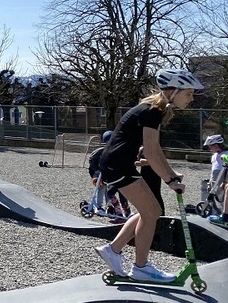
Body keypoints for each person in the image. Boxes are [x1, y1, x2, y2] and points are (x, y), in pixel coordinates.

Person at [94, 68, 196, 283]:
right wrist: (170, 181)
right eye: (188, 93)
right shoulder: (152, 111)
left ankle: (113, 250)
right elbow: (150, 151)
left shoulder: (154, 109)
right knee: (152, 212)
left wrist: (170, 173)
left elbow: (155, 149)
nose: (191, 98)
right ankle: (140, 267)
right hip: (117, 165)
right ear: (173, 91)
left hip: (118, 163)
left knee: (149, 211)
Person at [87, 130, 130, 219]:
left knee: (108, 188)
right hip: (97, 172)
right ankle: (99, 206)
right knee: (101, 187)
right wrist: (97, 171)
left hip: (107, 173)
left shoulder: (115, 151)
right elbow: (91, 159)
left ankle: (109, 206)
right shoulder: (100, 151)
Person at [203, 134, 227, 223]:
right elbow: (213, 169)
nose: (210, 149)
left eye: (210, 146)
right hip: (215, 179)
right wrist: (209, 182)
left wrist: (225, 181)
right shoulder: (214, 156)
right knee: (216, 197)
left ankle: (224, 216)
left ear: (216, 145)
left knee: (223, 197)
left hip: (223, 178)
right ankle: (219, 213)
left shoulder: (226, 155)